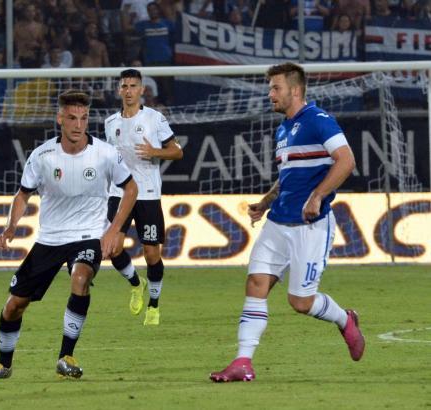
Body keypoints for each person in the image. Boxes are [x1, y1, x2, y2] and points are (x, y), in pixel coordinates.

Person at [209, 62, 364, 383]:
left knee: (301, 302)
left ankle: (345, 320)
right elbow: (286, 178)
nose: (270, 94)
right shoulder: (283, 130)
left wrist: (318, 195)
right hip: (278, 223)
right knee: (255, 284)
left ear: (295, 90)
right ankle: (243, 361)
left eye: (275, 88)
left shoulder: (319, 121)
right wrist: (264, 204)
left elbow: (346, 160)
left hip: (311, 226)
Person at [0, 90, 138, 380]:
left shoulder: (105, 153)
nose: (78, 125)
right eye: (72, 118)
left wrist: (114, 229)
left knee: (81, 277)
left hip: (88, 234)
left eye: (84, 118)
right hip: (50, 238)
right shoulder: (42, 156)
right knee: (15, 304)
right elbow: (23, 194)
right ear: (60, 119)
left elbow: (131, 188)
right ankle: (4, 364)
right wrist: (11, 226)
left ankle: (66, 356)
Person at [104, 69, 183, 325]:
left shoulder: (155, 118)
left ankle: (154, 304)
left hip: (148, 193)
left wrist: (155, 151)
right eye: (124, 86)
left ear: (141, 90)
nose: (128, 90)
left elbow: (177, 152)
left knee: (151, 254)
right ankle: (136, 283)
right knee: (111, 248)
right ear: (119, 90)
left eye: (133, 86)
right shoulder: (110, 123)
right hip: (119, 193)